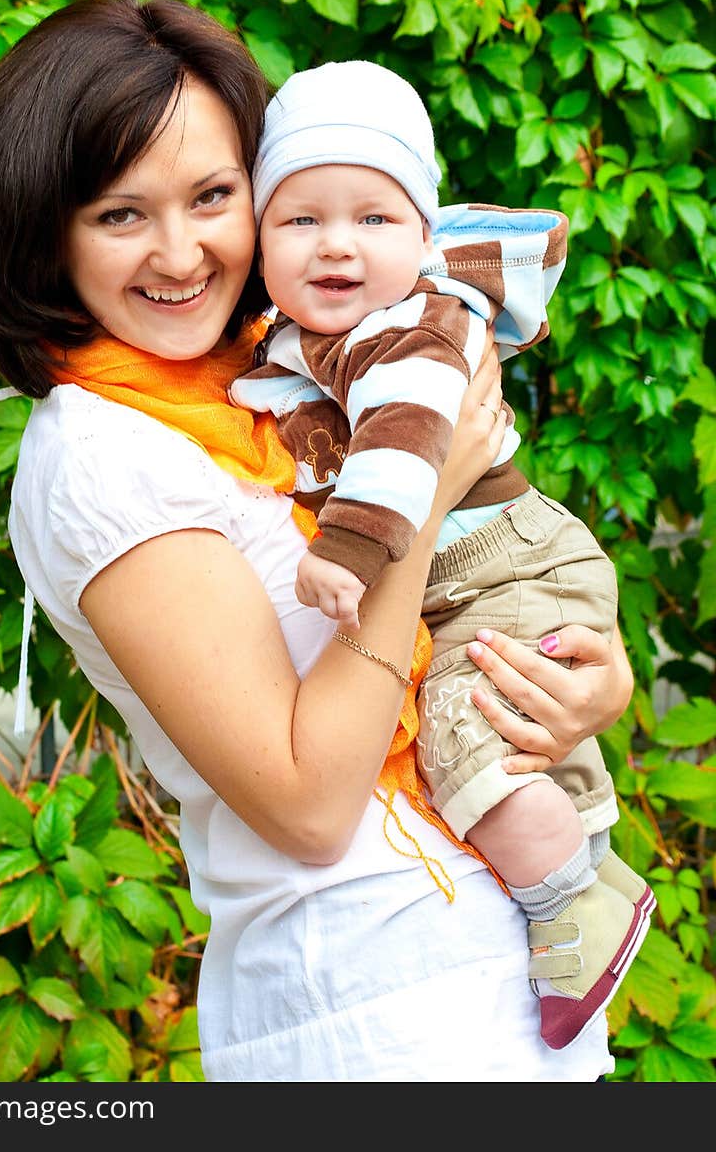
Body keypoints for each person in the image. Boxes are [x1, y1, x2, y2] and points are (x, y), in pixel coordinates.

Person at [0, 0, 637, 1083]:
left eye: (213, 196)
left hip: (504, 985)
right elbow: (309, 803)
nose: (181, 253)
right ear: (47, 236)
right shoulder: (101, 462)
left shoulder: (293, 374)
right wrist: (417, 497)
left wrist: (575, 689)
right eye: (121, 214)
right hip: (365, 1010)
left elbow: (475, 588)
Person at [229, 58, 654, 1051]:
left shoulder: (410, 326)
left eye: (373, 219)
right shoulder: (298, 338)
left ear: (424, 236)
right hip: (481, 565)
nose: (337, 245)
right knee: (497, 725)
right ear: (260, 238)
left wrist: (352, 548)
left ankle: (574, 903)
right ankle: (576, 862)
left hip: (497, 562)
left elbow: (407, 438)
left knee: (464, 735)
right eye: (301, 220)